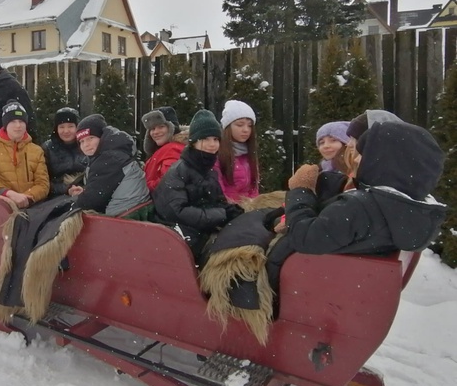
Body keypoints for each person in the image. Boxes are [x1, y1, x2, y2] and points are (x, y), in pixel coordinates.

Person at [266, 120, 446, 292]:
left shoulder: (360, 207)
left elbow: (304, 237)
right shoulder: (400, 206)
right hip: (343, 283)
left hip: (289, 278)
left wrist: (301, 189)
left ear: (383, 161)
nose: (356, 160)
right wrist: (324, 181)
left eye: (362, 154)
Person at [153, 109, 244, 258]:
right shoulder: (179, 171)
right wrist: (221, 214)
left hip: (200, 228)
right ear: (194, 142)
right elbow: (177, 212)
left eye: (215, 139)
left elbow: (214, 200)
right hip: (178, 233)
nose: (212, 144)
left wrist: (231, 210)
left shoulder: (208, 170)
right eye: (206, 139)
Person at [0, 100, 49, 208]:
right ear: (5, 125)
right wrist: (7, 193)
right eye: (13, 121)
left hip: (31, 208)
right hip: (0, 208)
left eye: (21, 121)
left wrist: (26, 197)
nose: (18, 126)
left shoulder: (36, 151)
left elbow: (43, 185)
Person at [72, 114, 150, 217]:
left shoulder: (109, 159)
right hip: (133, 208)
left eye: (91, 138)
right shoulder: (111, 153)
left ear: (102, 137)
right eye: (82, 141)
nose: (86, 144)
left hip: (127, 215)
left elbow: (93, 201)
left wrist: (72, 202)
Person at [217, 100, 260, 202]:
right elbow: (218, 191)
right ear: (228, 127)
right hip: (228, 211)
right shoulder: (218, 154)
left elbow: (253, 189)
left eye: (250, 125)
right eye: (240, 125)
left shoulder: (249, 154)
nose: (246, 130)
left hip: (250, 210)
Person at [141, 106, 189, 192]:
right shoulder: (162, 150)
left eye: (161, 126)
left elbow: (168, 183)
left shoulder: (172, 150)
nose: (155, 132)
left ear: (172, 128)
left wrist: (142, 186)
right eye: (152, 129)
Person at [41, 107, 86, 197]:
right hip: (57, 197)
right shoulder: (47, 149)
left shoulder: (87, 144)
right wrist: (67, 189)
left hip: (86, 193)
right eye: (61, 127)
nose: (66, 131)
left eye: (70, 126)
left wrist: (84, 189)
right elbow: (43, 182)